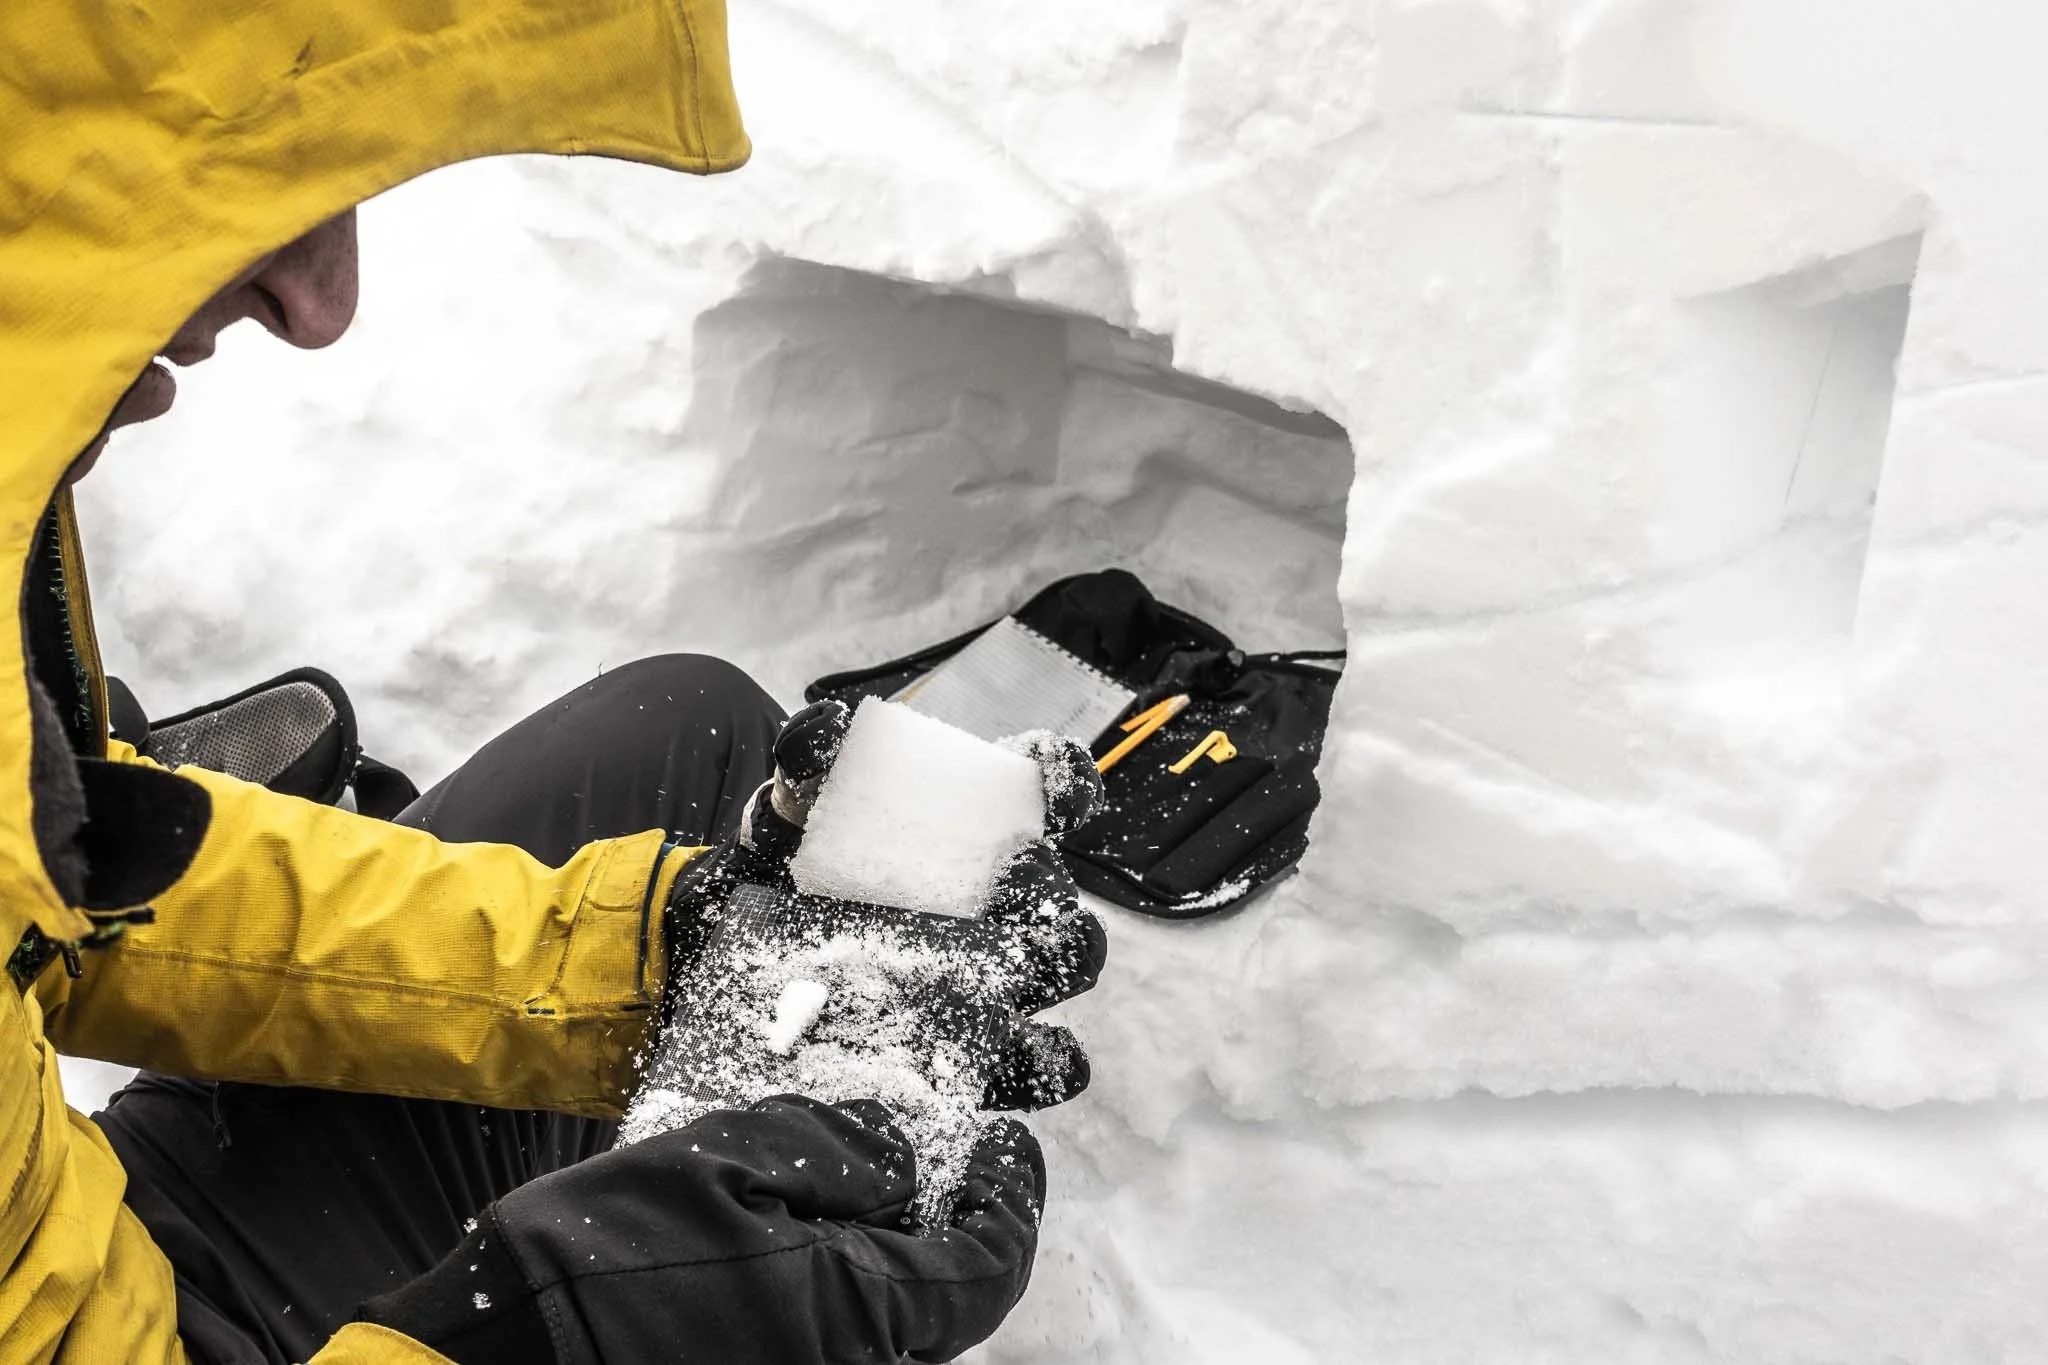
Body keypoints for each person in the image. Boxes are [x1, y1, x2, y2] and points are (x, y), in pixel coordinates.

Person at [0, 4, 1106, 1362]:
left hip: (73, 1256)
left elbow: (47, 913)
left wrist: (640, 954)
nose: (320, 301)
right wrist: (546, 1339)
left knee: (690, 739)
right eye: (249, 176)